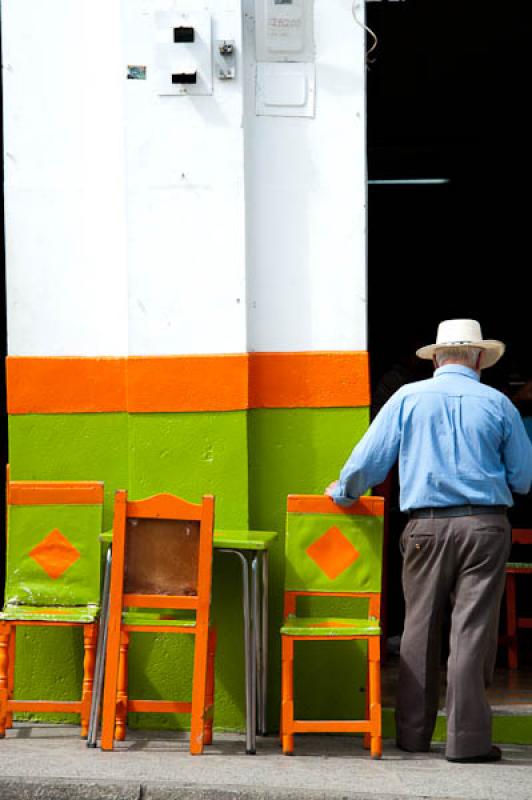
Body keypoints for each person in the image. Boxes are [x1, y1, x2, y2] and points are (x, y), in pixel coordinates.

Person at [326, 319, 532, 763]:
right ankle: (468, 741)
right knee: (472, 631)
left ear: (436, 357)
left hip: (424, 527)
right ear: (479, 358)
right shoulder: (498, 404)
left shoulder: (407, 397)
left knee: (418, 627)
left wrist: (343, 492)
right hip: (485, 526)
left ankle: (413, 735)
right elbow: (524, 479)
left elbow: (368, 462)